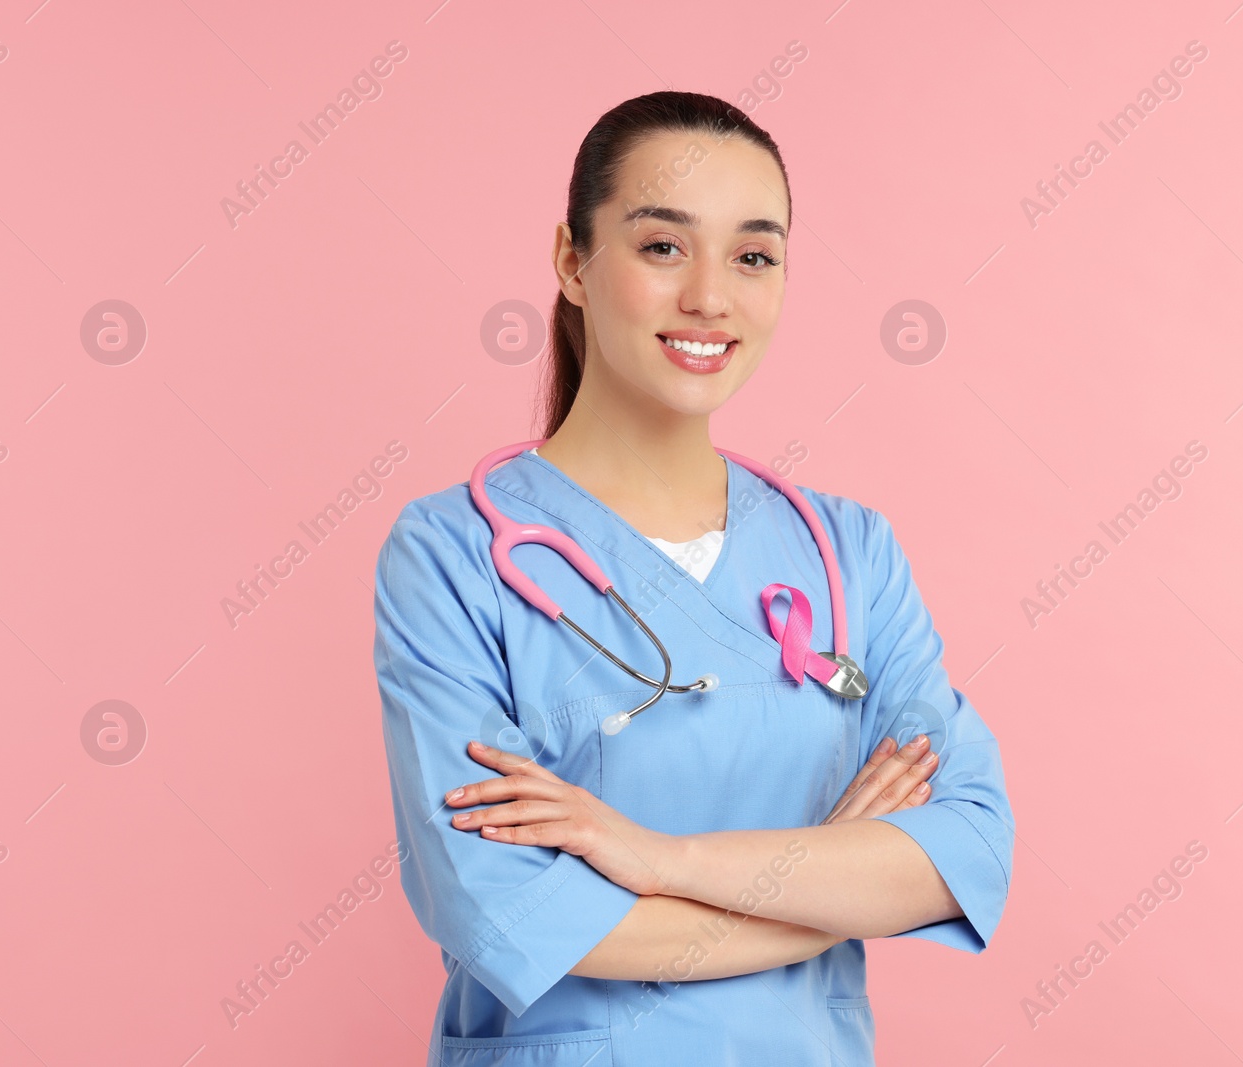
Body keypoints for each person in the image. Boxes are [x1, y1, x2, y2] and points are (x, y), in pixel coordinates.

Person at [374, 90, 1014, 1066]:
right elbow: (507, 913)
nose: (710, 296)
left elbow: (961, 848)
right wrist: (818, 900)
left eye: (753, 255)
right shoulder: (452, 554)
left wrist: (660, 859)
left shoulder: (849, 554)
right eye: (663, 246)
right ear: (571, 261)